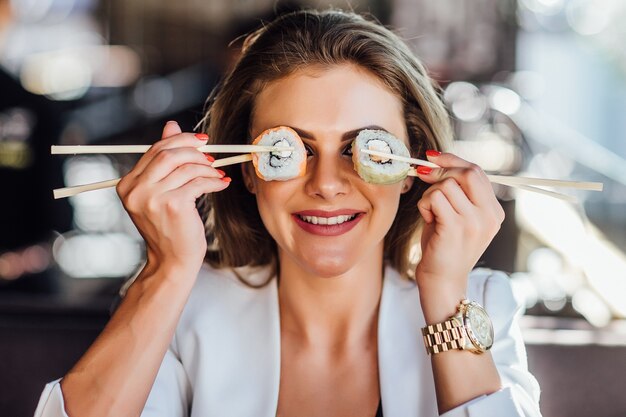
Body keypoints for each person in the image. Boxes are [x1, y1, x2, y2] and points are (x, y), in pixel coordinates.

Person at [34, 9, 541, 417]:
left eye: (366, 150)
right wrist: (166, 270)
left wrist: (445, 295)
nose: (324, 185)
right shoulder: (185, 309)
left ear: (411, 170)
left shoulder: (480, 303)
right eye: (289, 151)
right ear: (250, 170)